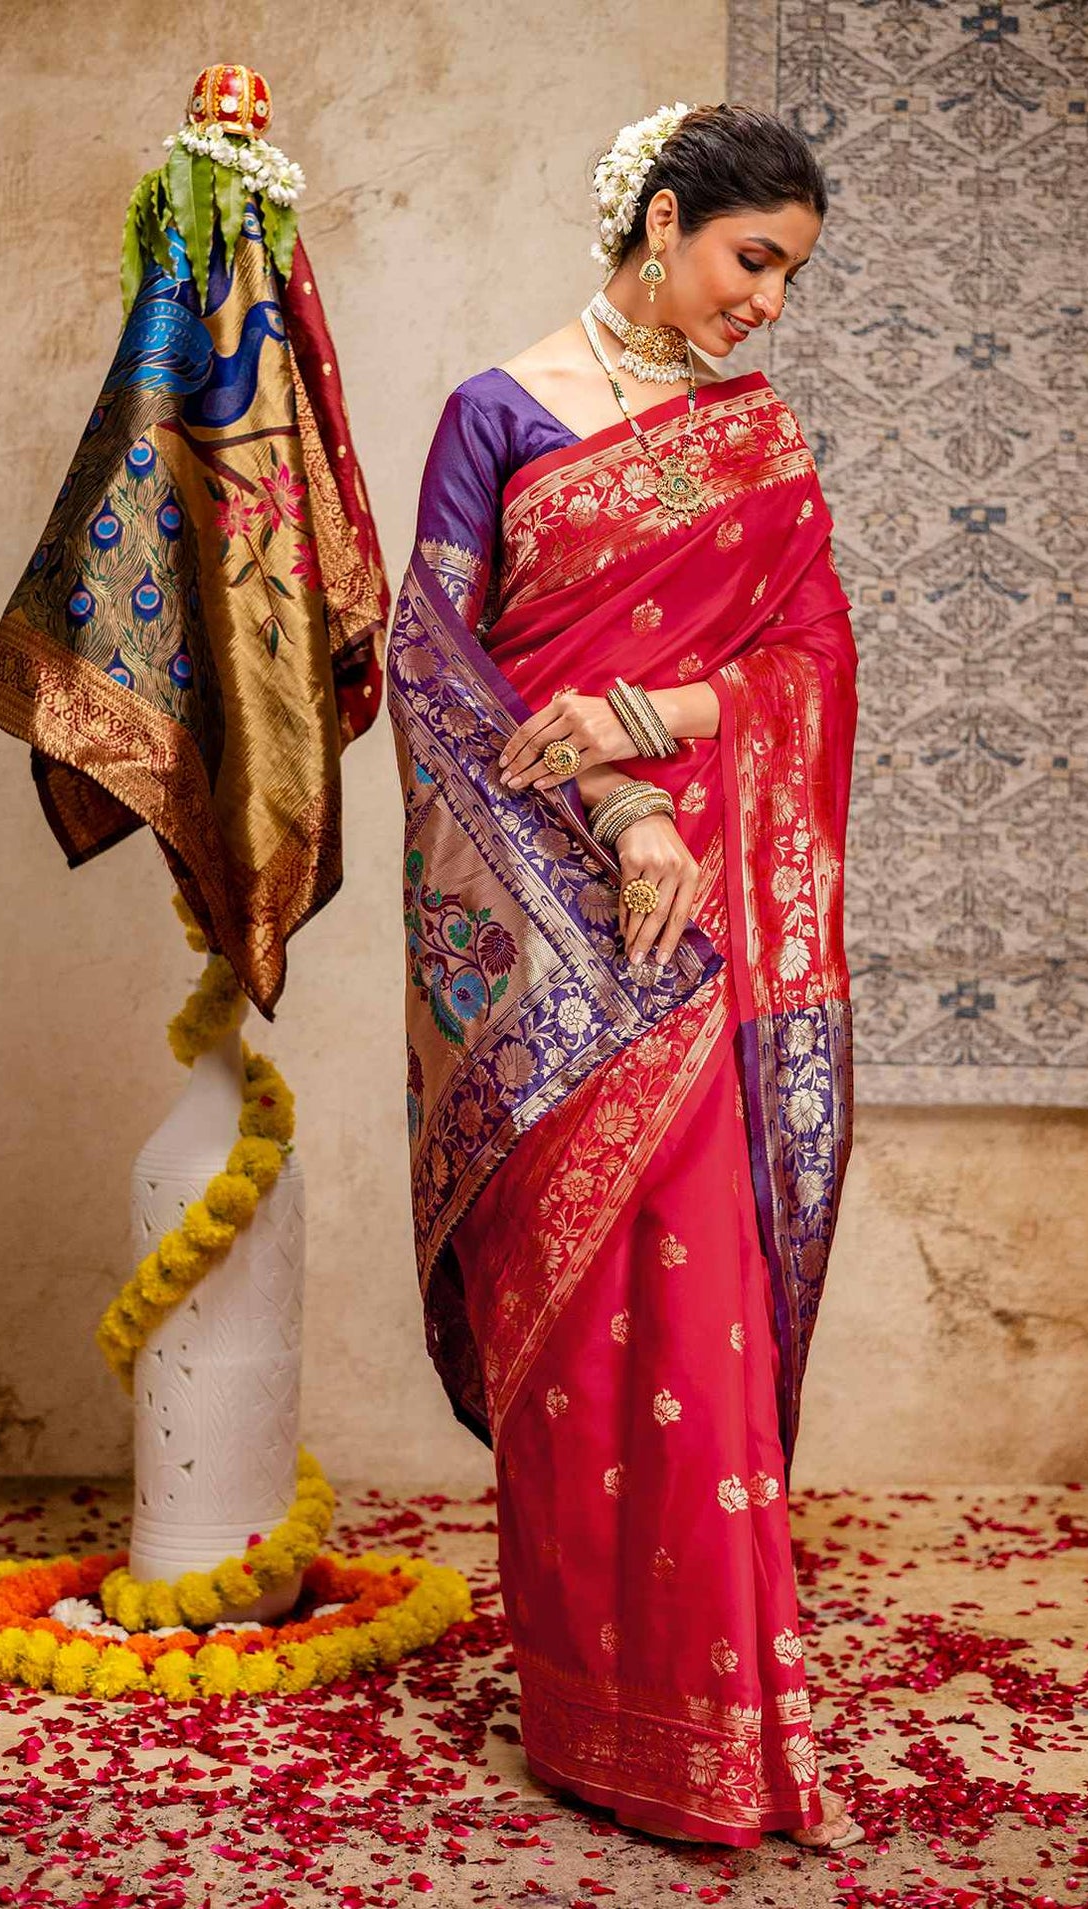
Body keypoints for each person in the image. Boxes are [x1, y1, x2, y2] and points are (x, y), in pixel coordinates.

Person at [385, 101, 862, 1851]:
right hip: (550, 931)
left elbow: (813, 658)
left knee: (698, 1316)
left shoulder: (759, 440)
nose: (769, 307)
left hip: (696, 947)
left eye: (792, 278)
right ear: (663, 223)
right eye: (755, 262)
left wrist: (660, 723)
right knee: (579, 1333)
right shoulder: (497, 418)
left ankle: (713, 1728)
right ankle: (589, 1714)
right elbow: (436, 683)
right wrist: (615, 808)